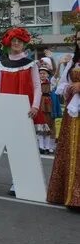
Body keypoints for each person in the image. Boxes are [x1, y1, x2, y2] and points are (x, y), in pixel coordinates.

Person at [0, 27, 41, 196]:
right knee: (12, 147)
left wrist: (35, 106)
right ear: (9, 44)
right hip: (7, 109)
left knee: (25, 146)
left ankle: (24, 180)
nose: (16, 44)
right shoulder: (3, 64)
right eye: (13, 41)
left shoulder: (31, 63)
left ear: (23, 43)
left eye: (19, 41)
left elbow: (37, 87)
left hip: (25, 110)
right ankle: (16, 180)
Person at [47, 37, 80, 210]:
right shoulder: (74, 62)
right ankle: (70, 196)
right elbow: (63, 85)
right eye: (79, 38)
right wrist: (70, 88)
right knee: (70, 150)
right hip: (73, 112)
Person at [38, 58, 56, 154]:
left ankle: (47, 146)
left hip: (47, 105)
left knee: (48, 125)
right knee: (41, 126)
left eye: (44, 73)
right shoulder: (37, 83)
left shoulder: (50, 83)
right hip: (40, 104)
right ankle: (41, 146)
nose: (42, 75)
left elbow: (55, 76)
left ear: (48, 75)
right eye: (40, 73)